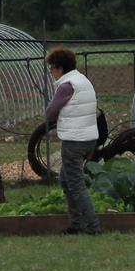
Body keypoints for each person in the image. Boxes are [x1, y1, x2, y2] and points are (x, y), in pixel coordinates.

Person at [45, 48, 100, 235]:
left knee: (75, 185)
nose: (51, 71)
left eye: (52, 68)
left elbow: (51, 112)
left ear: (60, 68)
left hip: (74, 140)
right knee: (66, 180)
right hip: (89, 138)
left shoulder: (66, 86)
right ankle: (75, 224)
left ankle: (93, 227)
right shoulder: (83, 80)